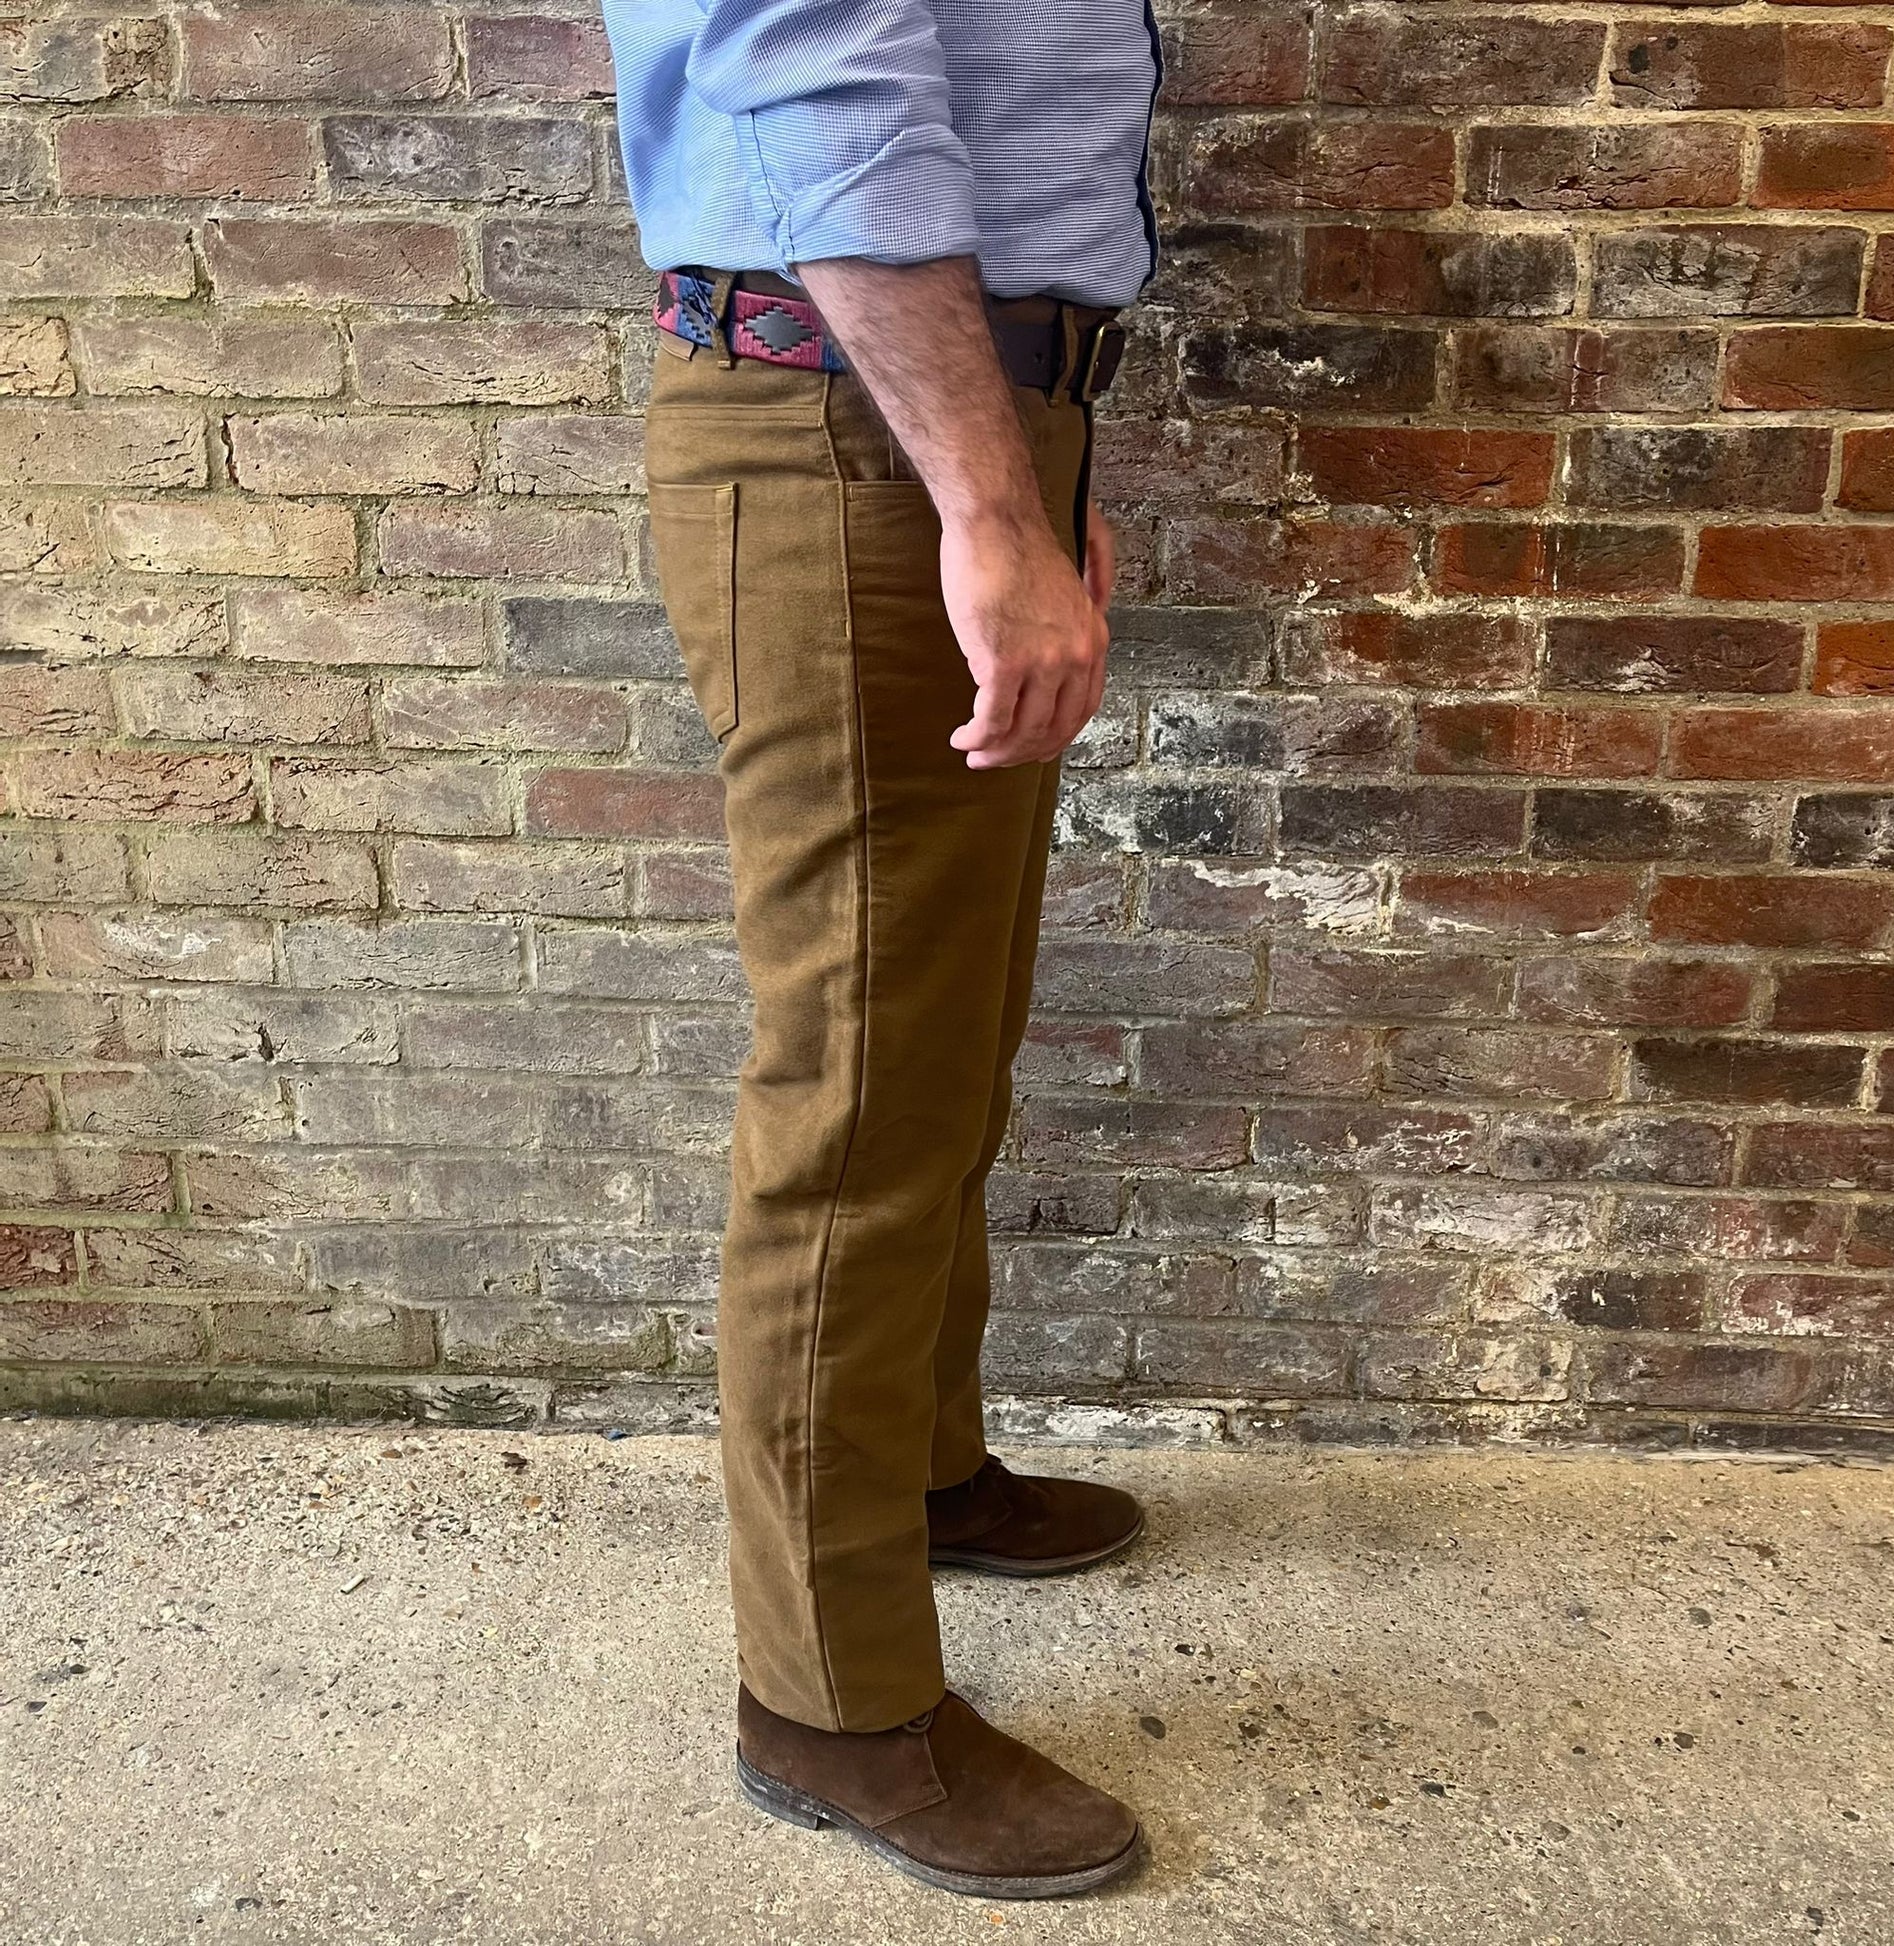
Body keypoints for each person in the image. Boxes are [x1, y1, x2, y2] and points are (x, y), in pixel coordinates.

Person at [603, 0, 1163, 1899]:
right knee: (855, 1097)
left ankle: (918, 1468)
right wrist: (990, 500)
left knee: (945, 1033)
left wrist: (1030, 466)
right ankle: (830, 1703)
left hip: (933, 417)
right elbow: (812, 72)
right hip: (856, 424)